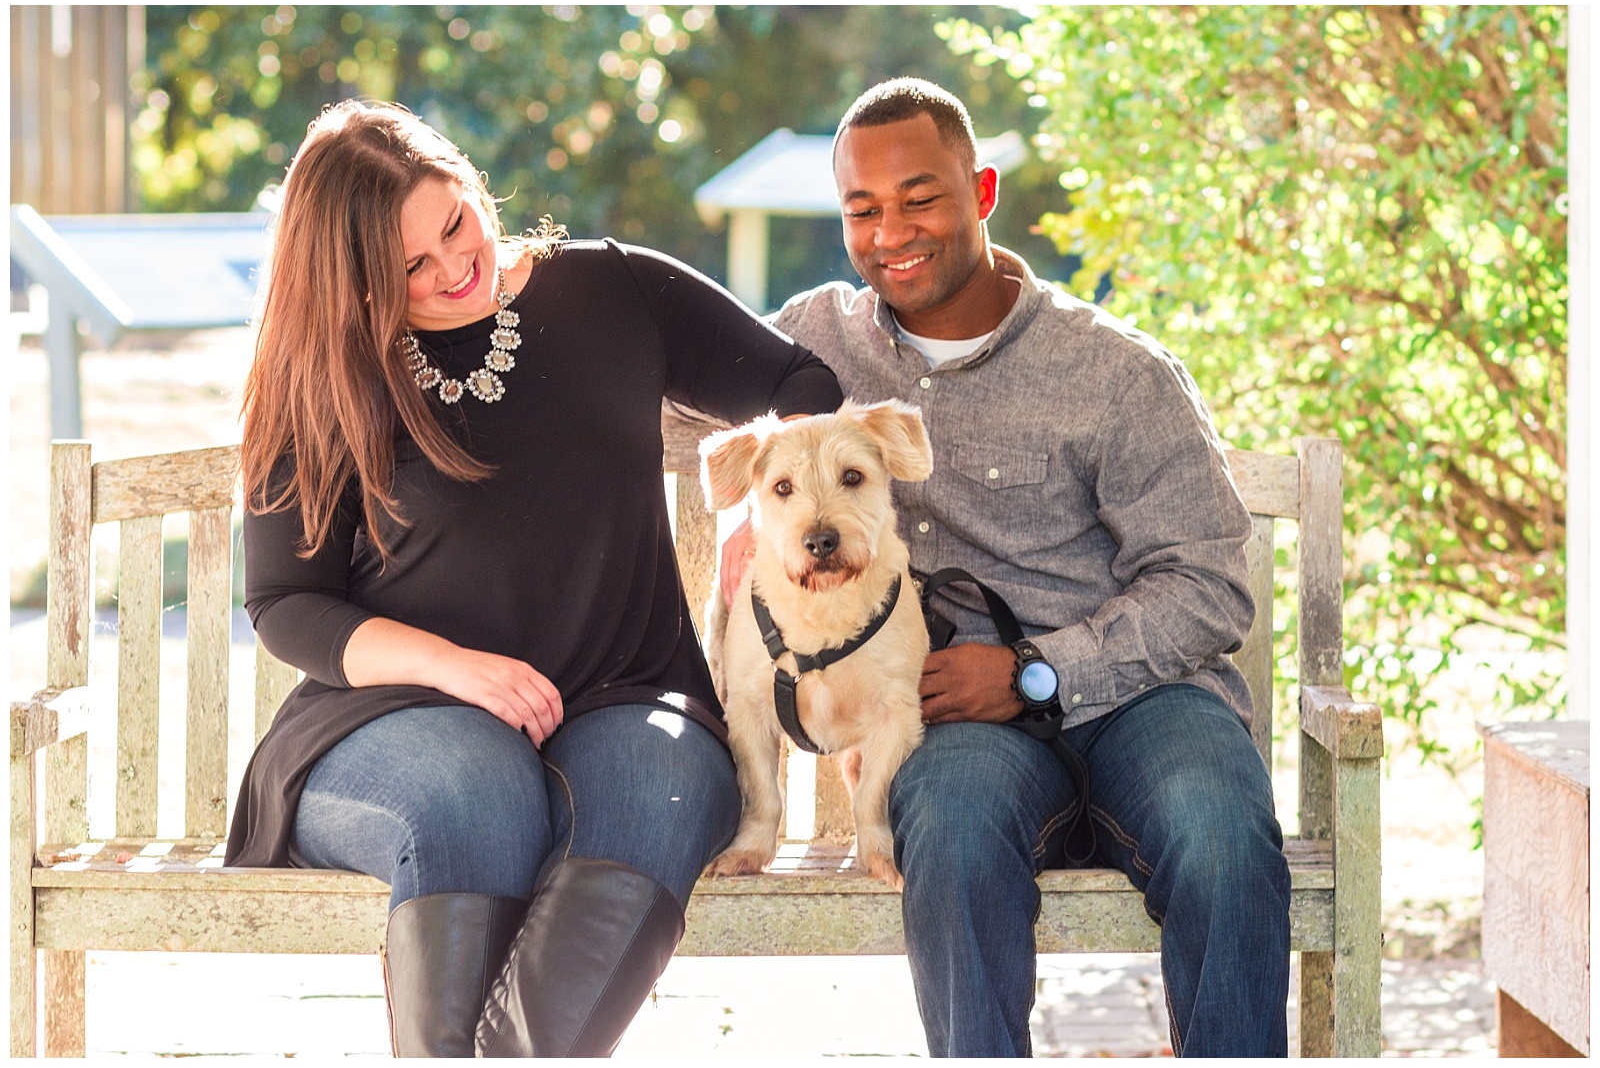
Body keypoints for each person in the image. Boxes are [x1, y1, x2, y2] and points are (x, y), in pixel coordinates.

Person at [225, 99, 842, 1058]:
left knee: (666, 791)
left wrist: (760, 520)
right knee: (477, 789)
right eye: (409, 273)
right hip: (393, 719)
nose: (452, 270)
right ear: (351, 287)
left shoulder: (612, 291)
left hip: (633, 694)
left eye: (455, 223)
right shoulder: (324, 371)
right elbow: (283, 602)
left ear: (471, 184)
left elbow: (801, 384)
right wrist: (455, 669)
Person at [725, 78, 1291, 1057]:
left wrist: (1038, 669)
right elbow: (649, 407)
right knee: (946, 828)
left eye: (920, 197)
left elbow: (1208, 585)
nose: (891, 230)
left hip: (1143, 700)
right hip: (951, 716)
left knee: (1226, 840)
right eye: (863, 209)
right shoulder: (814, 340)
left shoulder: (1117, 371)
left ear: (980, 190)